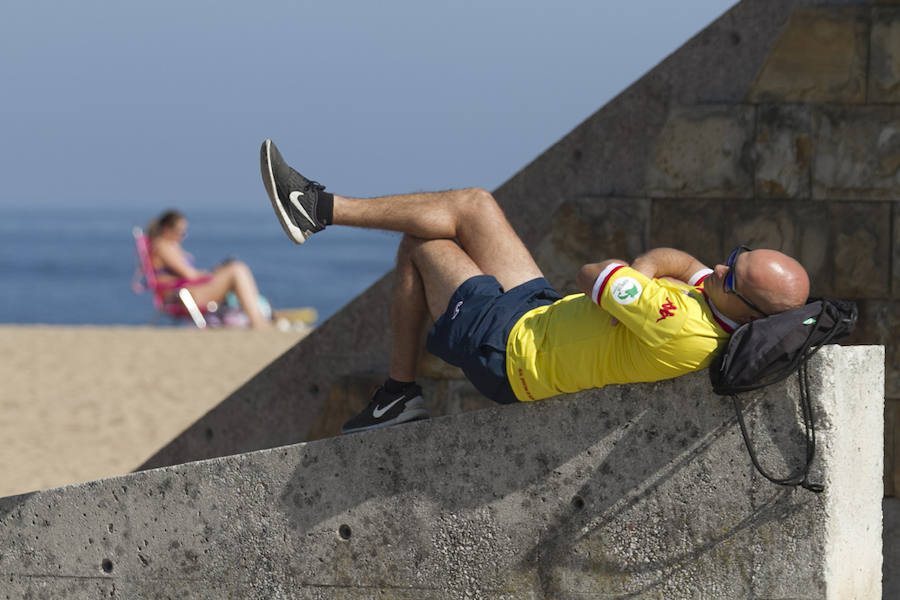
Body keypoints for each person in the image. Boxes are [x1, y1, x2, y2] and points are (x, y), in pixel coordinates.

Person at [258, 139, 810, 434]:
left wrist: (637, 279)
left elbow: (592, 272)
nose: (716, 266)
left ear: (750, 309)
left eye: (730, 274)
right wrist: (643, 283)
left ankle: (398, 394)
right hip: (544, 314)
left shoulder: (685, 327)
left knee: (423, 246)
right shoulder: (715, 304)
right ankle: (315, 209)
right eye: (733, 256)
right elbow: (674, 260)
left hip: (512, 354)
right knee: (474, 203)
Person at [147, 210, 272, 329]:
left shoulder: (169, 246)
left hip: (186, 292)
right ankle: (257, 321)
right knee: (237, 270)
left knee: (236, 269)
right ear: (166, 229)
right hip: (181, 297)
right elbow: (189, 274)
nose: (182, 236)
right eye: (180, 232)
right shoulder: (163, 246)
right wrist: (211, 274)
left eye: (184, 232)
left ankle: (258, 319)